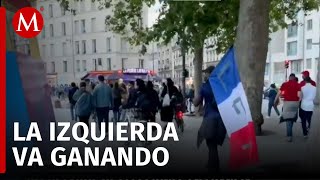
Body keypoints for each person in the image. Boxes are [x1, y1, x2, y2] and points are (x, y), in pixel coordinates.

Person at [193, 66, 226, 172]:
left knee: (211, 143)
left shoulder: (205, 86)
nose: (204, 75)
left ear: (210, 74)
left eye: (206, 73)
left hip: (210, 119)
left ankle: (214, 166)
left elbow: (196, 102)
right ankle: (211, 163)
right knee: (213, 143)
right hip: (221, 119)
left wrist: (198, 93)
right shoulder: (222, 85)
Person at [275, 73, 301, 142]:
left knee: (288, 120)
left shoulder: (285, 84)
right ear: (294, 78)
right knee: (292, 118)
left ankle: (289, 136)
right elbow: (299, 95)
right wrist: (298, 102)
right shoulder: (298, 85)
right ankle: (290, 132)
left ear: (289, 78)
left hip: (287, 104)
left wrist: (275, 101)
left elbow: (279, 93)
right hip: (295, 104)